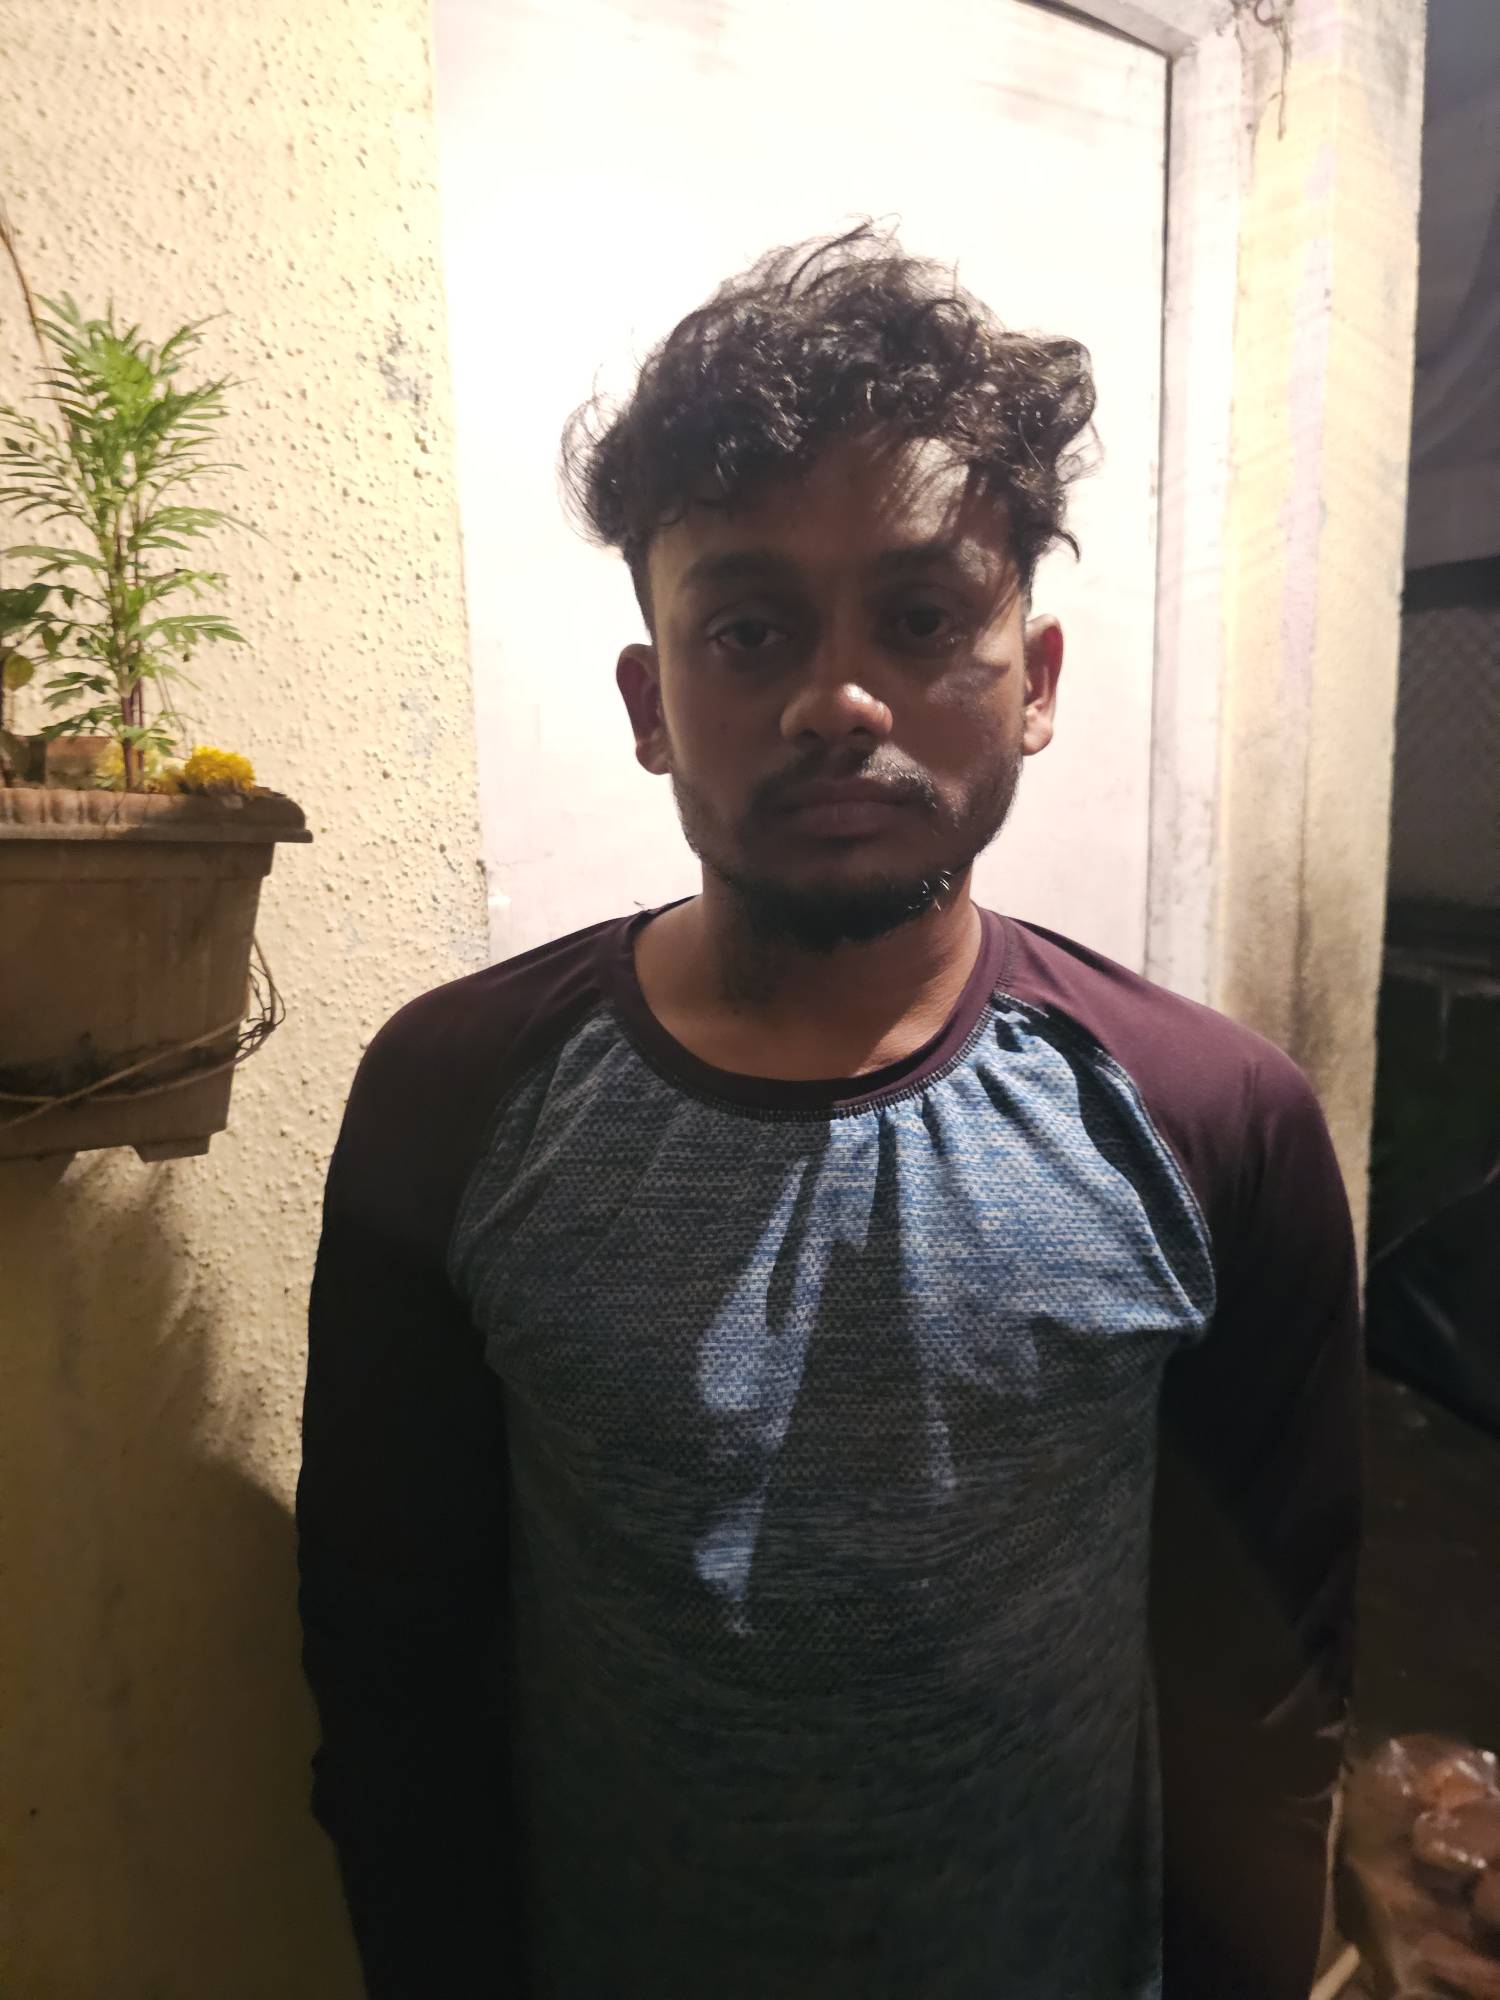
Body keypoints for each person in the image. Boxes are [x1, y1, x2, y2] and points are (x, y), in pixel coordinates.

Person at [297, 224, 1363, 2000]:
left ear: (1037, 679)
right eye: (749, 627)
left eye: (925, 618)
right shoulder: (454, 1098)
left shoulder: (1212, 1121)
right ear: (653, 702)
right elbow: (388, 1653)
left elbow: (1273, 1686)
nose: (840, 697)